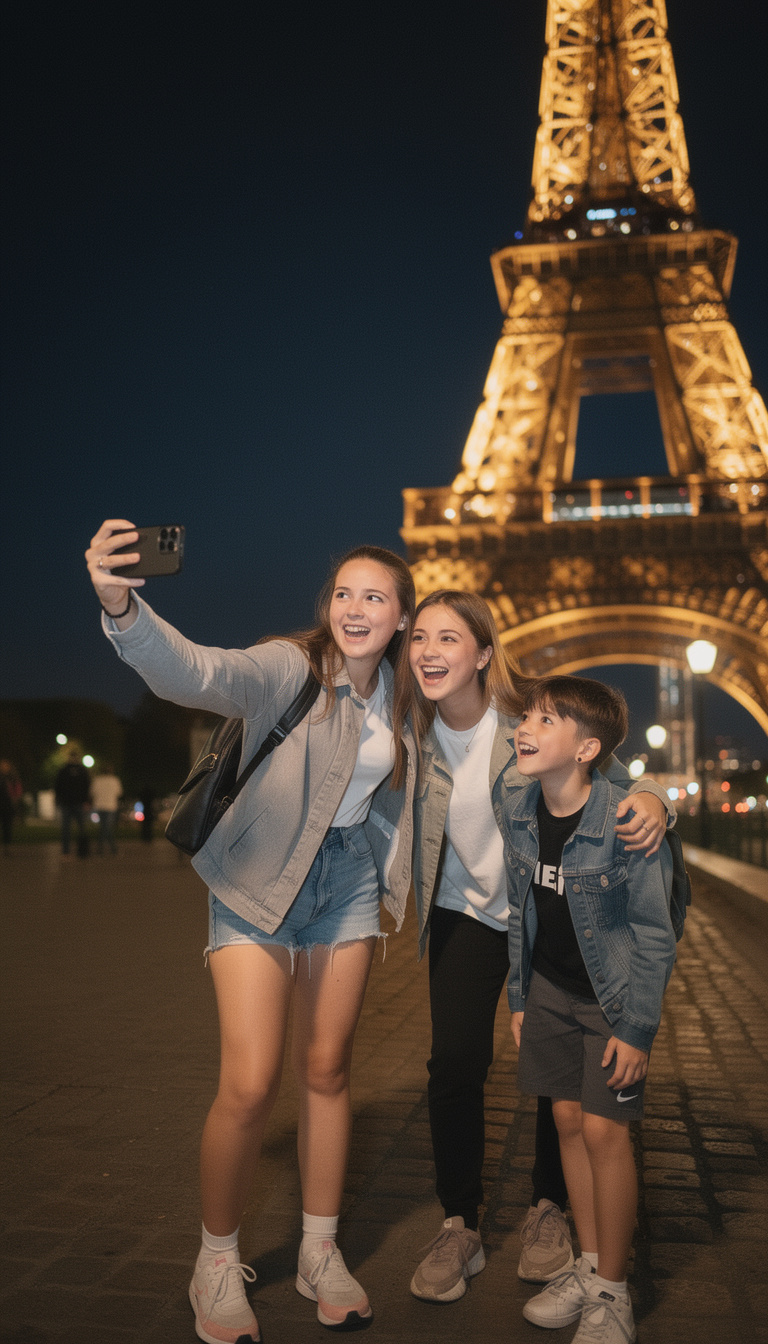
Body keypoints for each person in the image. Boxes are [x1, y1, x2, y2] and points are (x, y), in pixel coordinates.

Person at [86, 519, 418, 1343]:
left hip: (345, 884)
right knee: (249, 1082)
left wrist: (639, 793)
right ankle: (215, 1257)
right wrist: (120, 606)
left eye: (374, 596)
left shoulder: (410, 697)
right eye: (343, 592)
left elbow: (509, 739)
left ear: (403, 617)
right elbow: (197, 671)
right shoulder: (290, 666)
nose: (354, 606)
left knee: (329, 1070)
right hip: (258, 879)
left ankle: (317, 1250)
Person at [403, 591, 672, 1306]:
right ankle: (459, 1220)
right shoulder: (404, 730)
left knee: (563, 1088)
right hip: (466, 914)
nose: (430, 651)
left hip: (542, 915)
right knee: (455, 1061)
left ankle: (552, 1210)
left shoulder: (528, 721)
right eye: (419, 637)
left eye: (449, 638)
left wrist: (656, 798)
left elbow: (604, 778)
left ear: (484, 652)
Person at [505, 675, 677, 1344]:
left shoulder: (626, 820)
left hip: (609, 997)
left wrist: (636, 1030)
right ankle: (586, 1264)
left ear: (587, 748)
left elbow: (654, 933)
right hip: (548, 989)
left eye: (546, 721)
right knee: (569, 1123)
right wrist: (520, 997)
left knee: (607, 1134)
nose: (525, 727)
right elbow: (519, 908)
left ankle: (612, 1289)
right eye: (527, 715)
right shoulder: (516, 803)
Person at [54, 749, 91, 856]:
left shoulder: (67, 770)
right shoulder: (67, 770)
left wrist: (86, 801)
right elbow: (58, 786)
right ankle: (69, 851)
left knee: (78, 828)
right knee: (69, 828)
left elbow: (86, 786)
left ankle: (81, 850)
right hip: (69, 803)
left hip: (73, 803)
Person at [91, 766, 123, 855]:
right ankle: (113, 849)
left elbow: (92, 792)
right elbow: (119, 793)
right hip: (111, 806)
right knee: (107, 827)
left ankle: (102, 849)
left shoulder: (97, 780)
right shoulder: (115, 780)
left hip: (100, 806)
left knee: (104, 827)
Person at [0, 760, 23, 852]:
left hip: (8, 804)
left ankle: (7, 845)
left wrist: (15, 798)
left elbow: (17, 790)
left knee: (7, 825)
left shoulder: (12, 778)